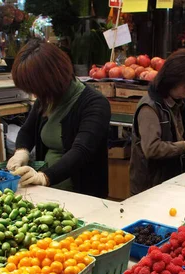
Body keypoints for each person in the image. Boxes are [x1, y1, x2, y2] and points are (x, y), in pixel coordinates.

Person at [7, 40, 110, 198]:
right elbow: (27, 131)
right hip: (47, 193)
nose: (35, 95)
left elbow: (81, 152)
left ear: (52, 80)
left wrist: (45, 177)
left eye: (36, 89)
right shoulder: (47, 99)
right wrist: (21, 152)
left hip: (82, 196)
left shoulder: (95, 104)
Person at [129, 49, 185, 195]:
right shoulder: (149, 107)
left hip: (170, 183)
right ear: (173, 78)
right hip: (150, 188)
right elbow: (152, 149)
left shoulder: (179, 102)